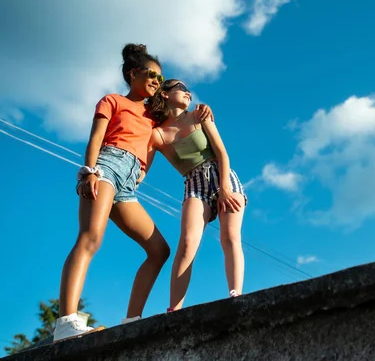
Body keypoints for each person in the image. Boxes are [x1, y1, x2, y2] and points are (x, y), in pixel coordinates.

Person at [53, 45, 214, 341]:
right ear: (132, 74)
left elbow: (178, 118)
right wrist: (89, 171)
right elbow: (96, 138)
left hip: (128, 185)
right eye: (151, 74)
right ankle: (65, 322)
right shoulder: (112, 101)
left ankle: (131, 320)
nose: (156, 80)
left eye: (160, 77)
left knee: (159, 250)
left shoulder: (153, 117)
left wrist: (200, 109)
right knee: (91, 237)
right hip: (106, 168)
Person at [146, 79, 247, 311]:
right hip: (194, 183)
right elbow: (143, 168)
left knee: (229, 236)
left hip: (222, 175)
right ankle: (174, 309)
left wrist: (225, 189)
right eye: (181, 88)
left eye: (188, 90)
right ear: (164, 94)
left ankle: (235, 294)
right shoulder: (158, 135)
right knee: (188, 242)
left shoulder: (200, 115)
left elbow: (222, 152)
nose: (187, 93)